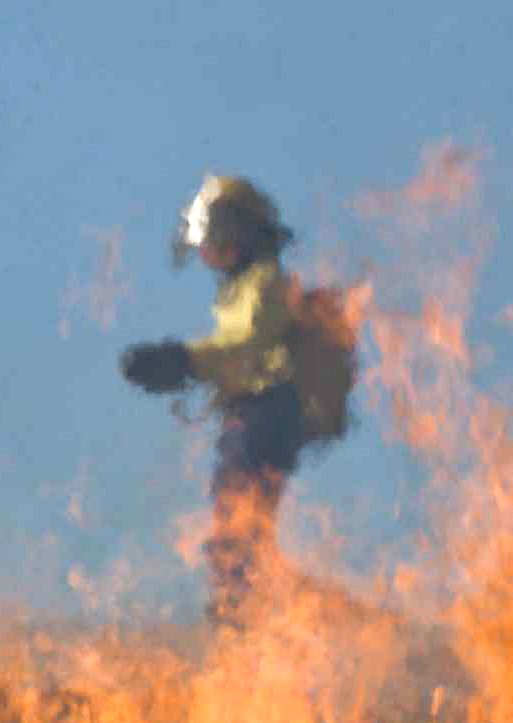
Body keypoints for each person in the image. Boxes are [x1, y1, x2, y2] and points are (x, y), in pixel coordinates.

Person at [121, 174, 358, 625]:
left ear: (235, 236)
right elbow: (238, 349)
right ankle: (252, 612)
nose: (206, 254)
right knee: (237, 533)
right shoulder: (246, 286)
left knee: (238, 533)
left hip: (265, 418)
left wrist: (184, 361)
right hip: (252, 418)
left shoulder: (266, 284)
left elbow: (245, 348)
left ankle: (259, 618)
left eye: (212, 241)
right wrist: (187, 365)